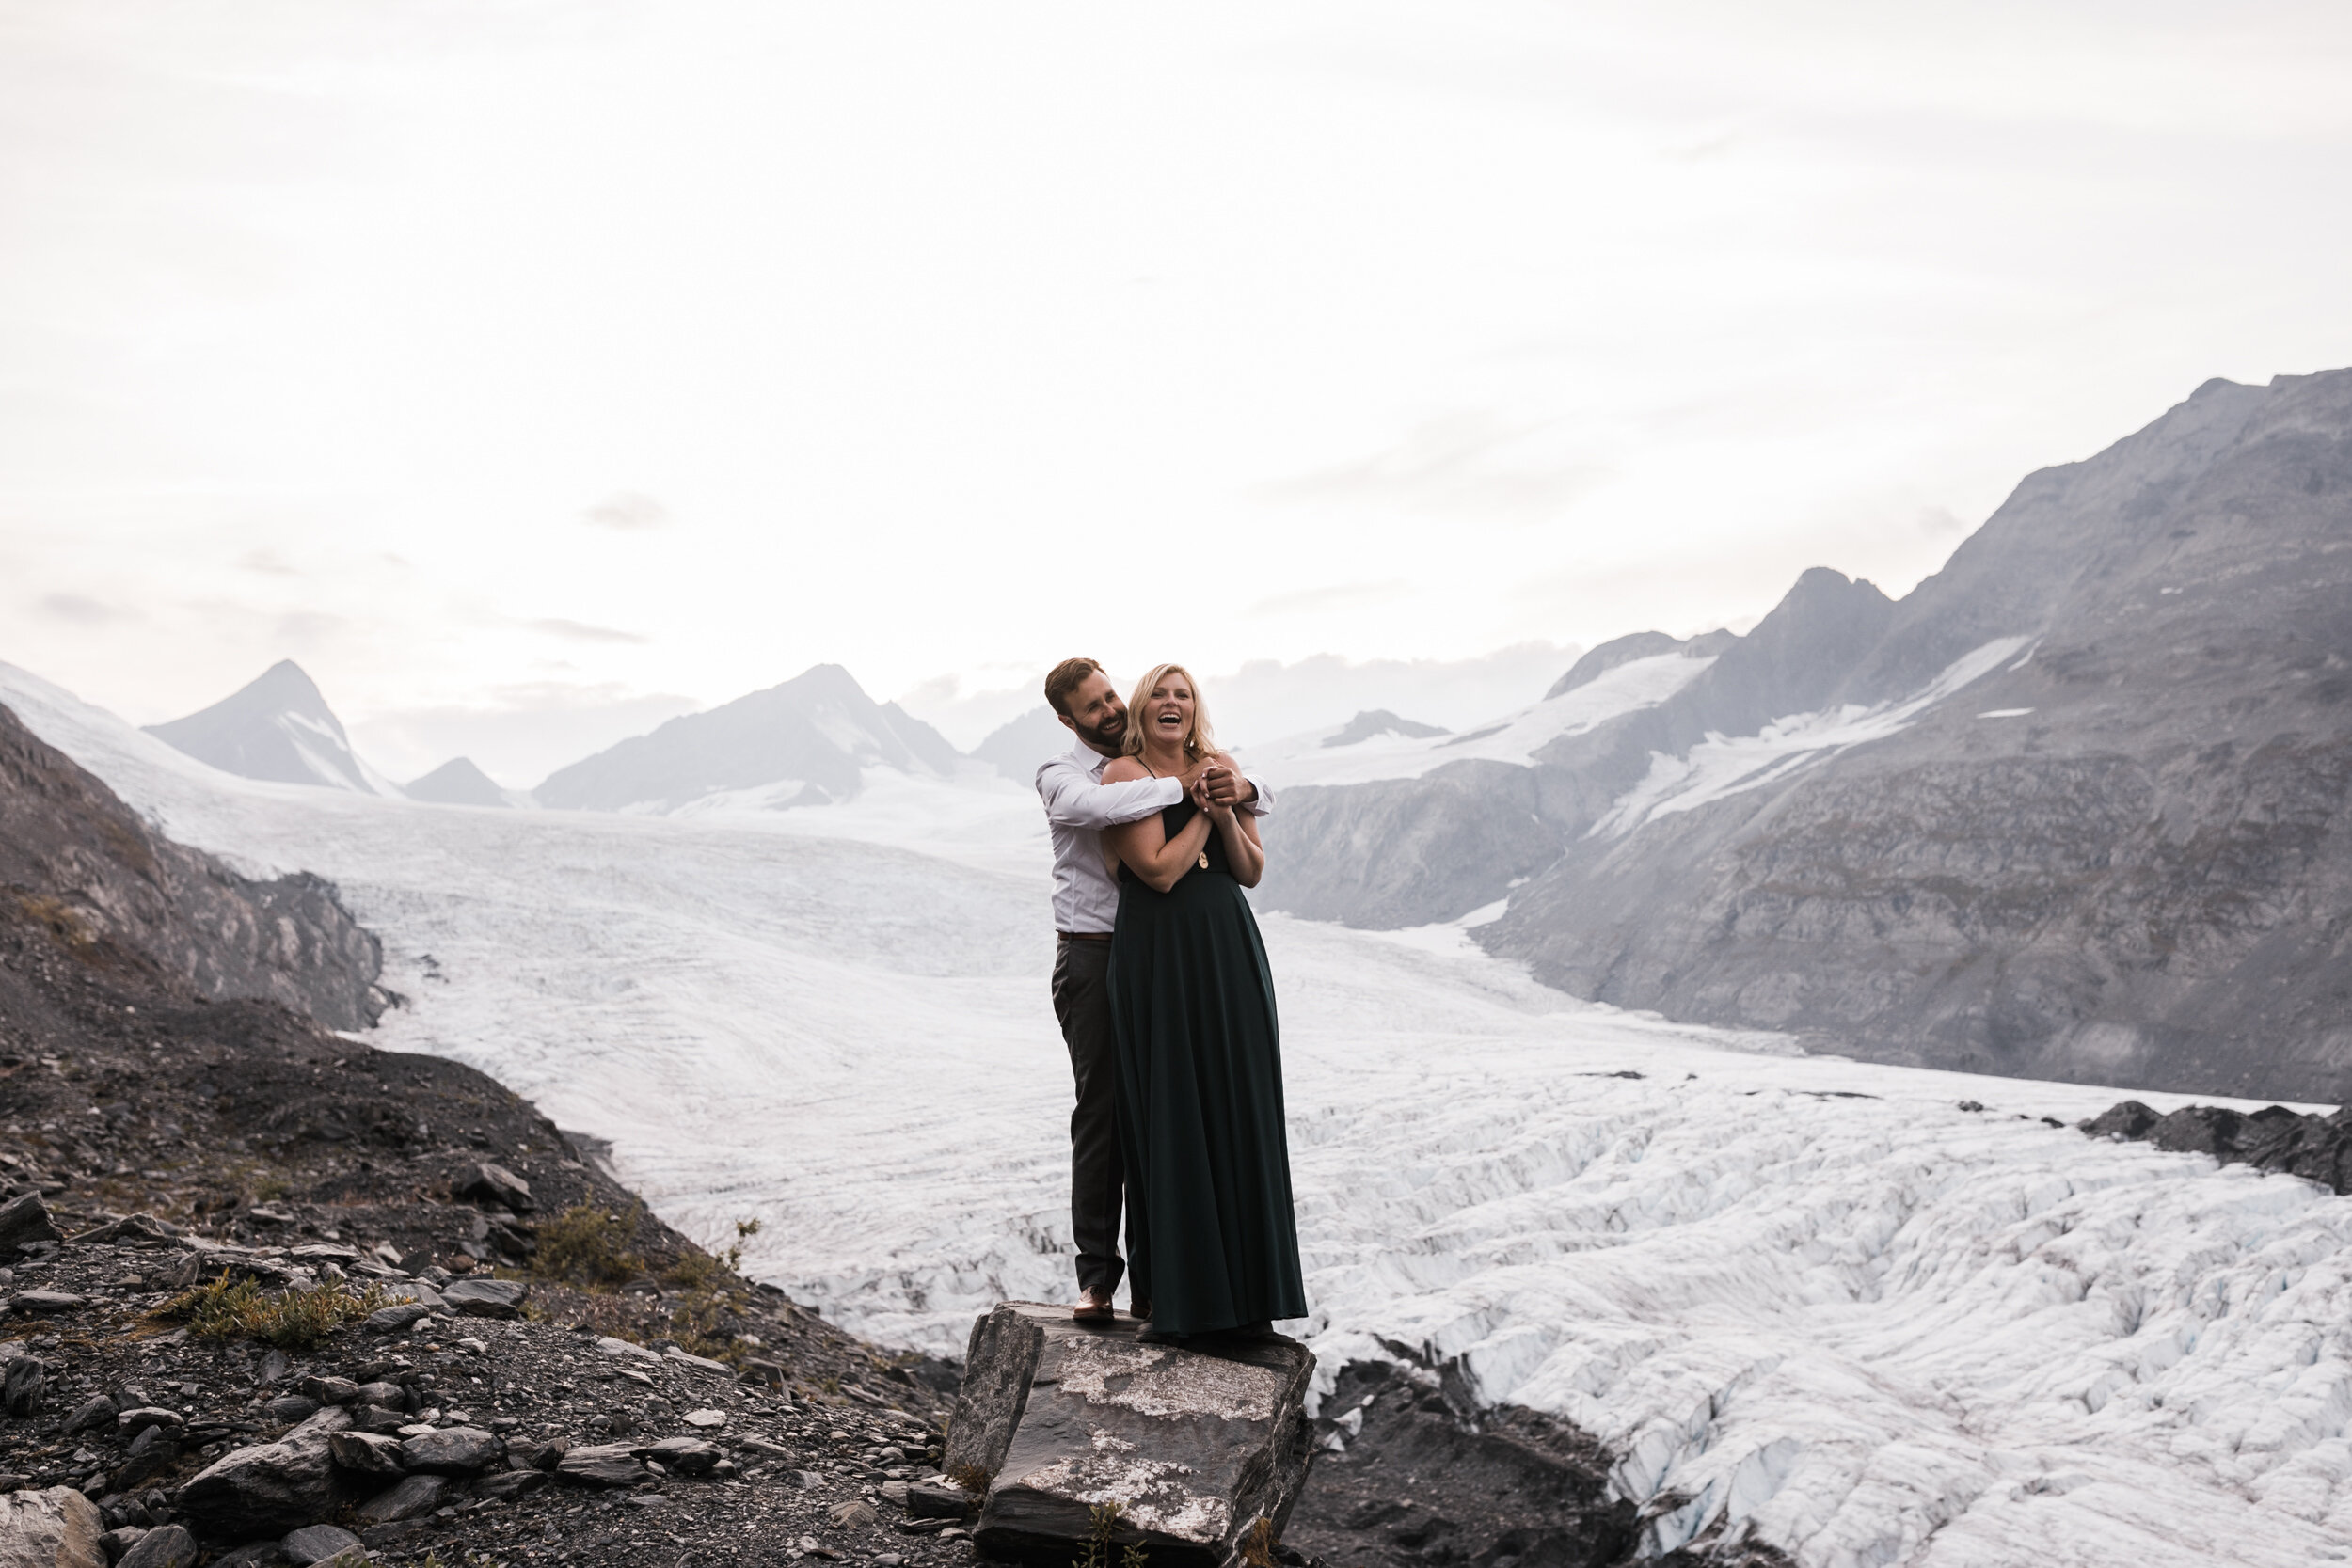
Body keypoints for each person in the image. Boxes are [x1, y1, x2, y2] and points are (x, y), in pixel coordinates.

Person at [1036, 657, 1272, 1323]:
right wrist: (1199, 791)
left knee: (1161, 1117)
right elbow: (1107, 814)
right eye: (1093, 707)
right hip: (1095, 954)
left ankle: (1157, 1282)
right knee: (1108, 1116)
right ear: (1067, 719)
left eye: (1110, 695)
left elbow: (1252, 826)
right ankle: (1096, 1279)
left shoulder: (1181, 763)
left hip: (1170, 956)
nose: (1108, 710)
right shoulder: (1071, 776)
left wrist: (1240, 786)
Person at [1100, 662, 1307, 1340]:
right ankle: (1186, 1303)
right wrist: (1206, 812)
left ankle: (1250, 1300)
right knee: (1175, 1110)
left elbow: (1249, 868)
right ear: (1141, 707)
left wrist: (1226, 806)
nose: (1171, 703)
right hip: (1162, 955)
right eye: (1159, 693)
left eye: (1182, 694)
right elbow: (1155, 871)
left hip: (1228, 949)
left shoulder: (1221, 764)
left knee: (1239, 1105)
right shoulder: (1125, 777)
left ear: (1196, 707)